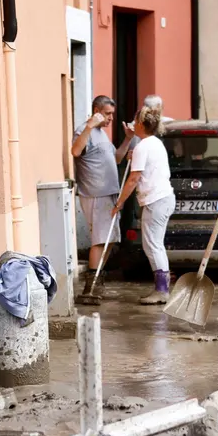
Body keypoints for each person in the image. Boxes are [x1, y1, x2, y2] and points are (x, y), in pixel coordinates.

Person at [71, 96, 133, 299]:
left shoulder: (102, 135)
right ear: (96, 111)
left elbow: (115, 159)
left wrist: (127, 139)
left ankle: (96, 280)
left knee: (109, 240)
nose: (111, 119)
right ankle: (90, 289)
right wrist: (89, 126)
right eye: (107, 114)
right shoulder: (84, 131)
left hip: (109, 194)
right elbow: (75, 150)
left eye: (112, 115)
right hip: (96, 194)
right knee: (100, 240)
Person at [113, 106, 175, 305]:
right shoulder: (154, 143)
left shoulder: (142, 146)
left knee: (153, 245)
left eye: (134, 119)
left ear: (140, 123)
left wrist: (119, 202)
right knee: (155, 244)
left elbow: (133, 179)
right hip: (163, 197)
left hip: (155, 200)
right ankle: (162, 288)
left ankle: (162, 291)